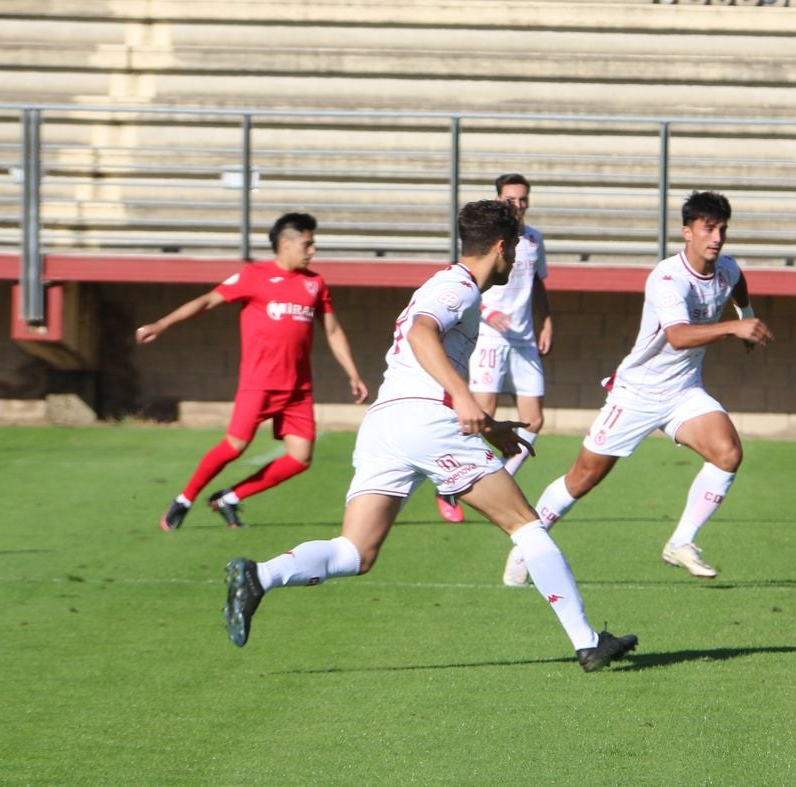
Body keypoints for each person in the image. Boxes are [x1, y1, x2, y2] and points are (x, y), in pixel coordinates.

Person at [222, 199, 637, 673]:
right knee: (526, 525)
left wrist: (489, 422)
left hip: (386, 425)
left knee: (355, 552)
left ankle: (260, 575)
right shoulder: (456, 285)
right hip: (427, 422)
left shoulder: (452, 286)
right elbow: (422, 334)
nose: (520, 259)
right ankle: (587, 643)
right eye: (517, 248)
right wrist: (463, 398)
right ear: (500, 247)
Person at [501, 190, 774, 586]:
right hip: (636, 394)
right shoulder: (667, 277)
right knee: (583, 478)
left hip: (683, 392)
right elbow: (678, 336)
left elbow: (739, 284)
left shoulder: (727, 268)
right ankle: (526, 543)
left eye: (722, 230)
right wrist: (735, 326)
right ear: (687, 232)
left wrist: (746, 314)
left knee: (728, 453)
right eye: (708, 229)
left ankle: (680, 542)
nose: (716, 238)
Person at [135, 212, 368, 530]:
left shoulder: (315, 283)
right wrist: (161, 324)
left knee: (299, 458)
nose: (313, 251)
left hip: (298, 388)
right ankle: (184, 500)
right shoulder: (254, 276)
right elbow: (207, 301)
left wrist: (352, 372)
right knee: (234, 446)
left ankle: (229, 498)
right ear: (286, 243)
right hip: (260, 383)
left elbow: (333, 330)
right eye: (308, 244)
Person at [435, 173, 552, 523]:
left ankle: (499, 481)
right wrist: (489, 311)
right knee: (481, 415)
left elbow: (539, 284)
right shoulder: (491, 240)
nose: (517, 204)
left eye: (522, 199)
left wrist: (546, 322)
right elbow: (469, 280)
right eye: (511, 199)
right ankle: (448, 482)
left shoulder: (533, 240)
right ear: (499, 199)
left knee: (533, 420)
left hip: (524, 338)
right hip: (490, 335)